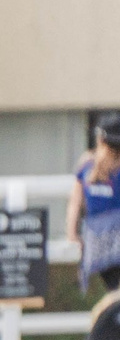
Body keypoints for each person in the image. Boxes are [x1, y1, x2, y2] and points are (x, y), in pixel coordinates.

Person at [69, 115, 120, 296]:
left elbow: (75, 204)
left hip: (95, 243)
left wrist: (72, 234)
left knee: (111, 292)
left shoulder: (85, 167)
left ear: (100, 140)